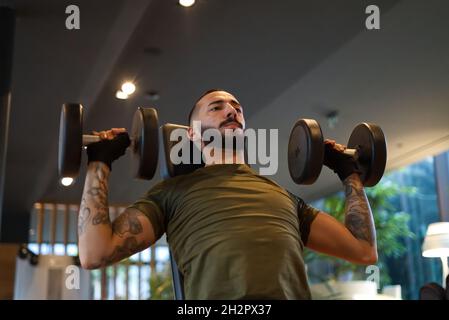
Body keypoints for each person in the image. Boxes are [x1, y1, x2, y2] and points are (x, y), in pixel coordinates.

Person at [77, 89, 377, 299]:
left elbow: (363, 250)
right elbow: (94, 253)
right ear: (191, 133)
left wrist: (348, 172)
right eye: (216, 107)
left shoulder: (284, 197)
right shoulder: (170, 195)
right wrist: (99, 163)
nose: (231, 110)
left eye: (236, 106)